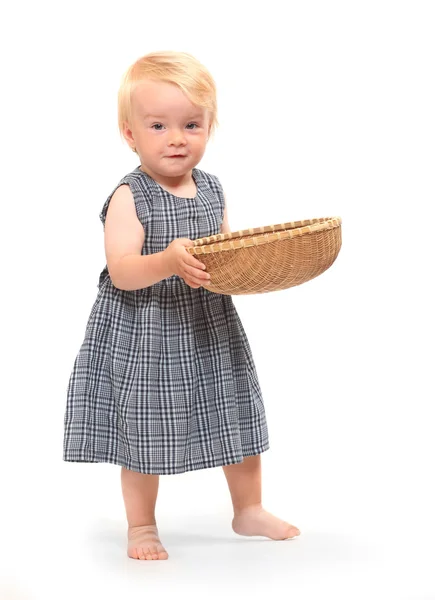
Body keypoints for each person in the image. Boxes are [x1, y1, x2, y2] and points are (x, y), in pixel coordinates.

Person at [63, 50, 300, 561]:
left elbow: (222, 251)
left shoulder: (212, 189)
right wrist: (168, 261)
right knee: (144, 427)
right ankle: (142, 526)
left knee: (234, 414)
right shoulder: (132, 195)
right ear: (130, 134)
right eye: (158, 125)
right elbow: (122, 270)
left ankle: (248, 508)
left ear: (210, 127)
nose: (176, 138)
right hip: (148, 330)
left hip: (208, 325)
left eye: (191, 124)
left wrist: (249, 264)